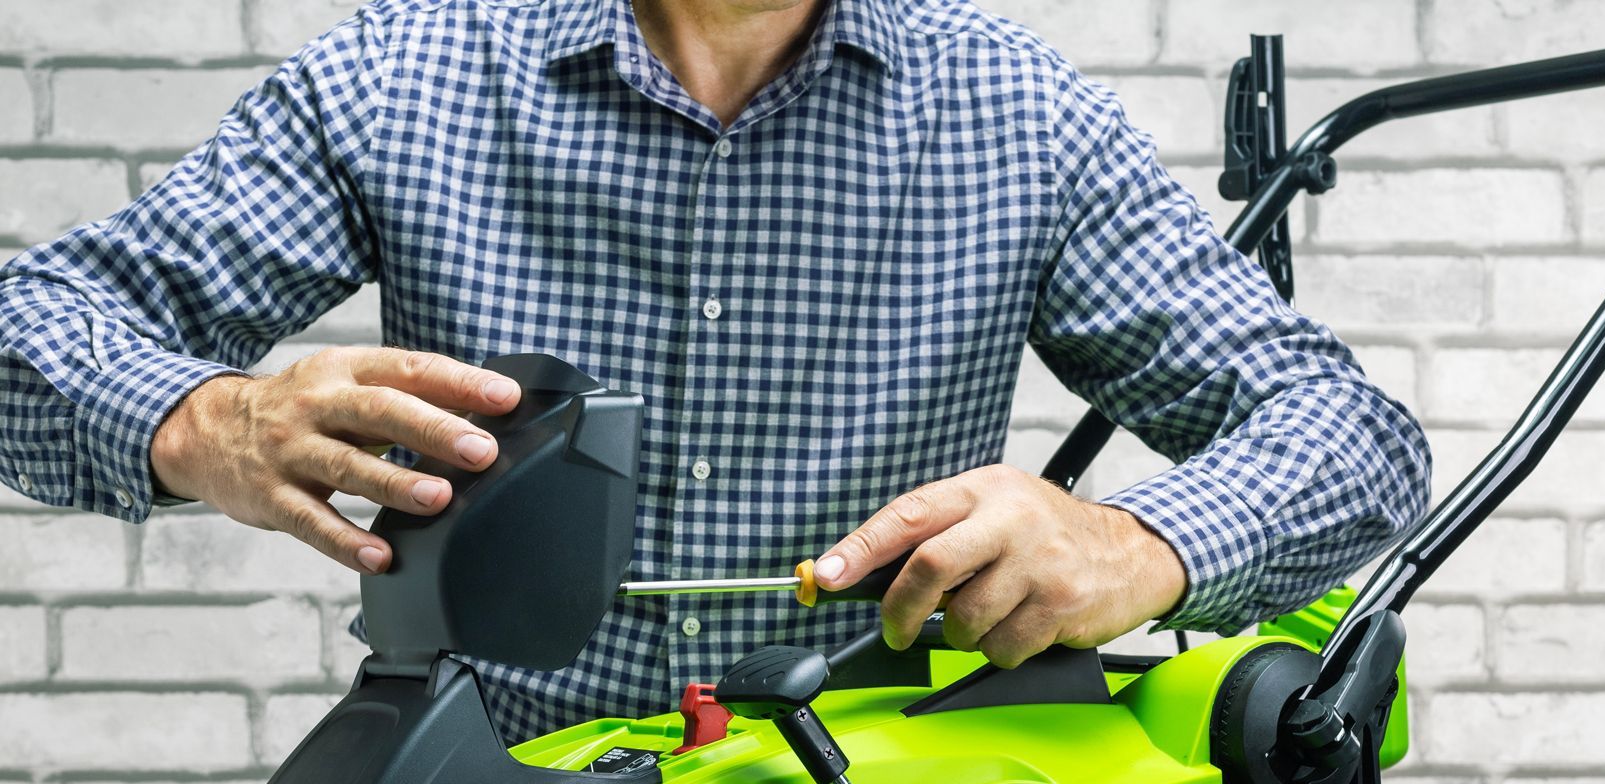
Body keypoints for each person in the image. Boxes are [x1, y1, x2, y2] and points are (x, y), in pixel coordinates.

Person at [0, 0, 1429, 741]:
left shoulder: (1020, 117)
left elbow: (1352, 438)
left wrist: (1137, 542)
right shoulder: (401, 80)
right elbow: (29, 330)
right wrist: (203, 420)